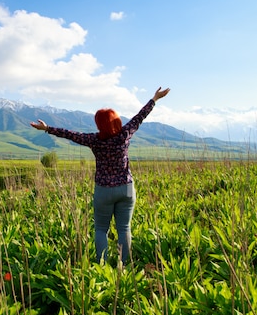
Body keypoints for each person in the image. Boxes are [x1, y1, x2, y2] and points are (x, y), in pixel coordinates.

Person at [30, 87, 171, 264]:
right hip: (126, 188)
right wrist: (154, 99)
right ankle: (124, 265)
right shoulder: (124, 135)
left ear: (99, 124)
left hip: (103, 190)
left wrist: (47, 128)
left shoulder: (94, 140)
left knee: (101, 229)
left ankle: (101, 265)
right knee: (124, 228)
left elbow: (70, 134)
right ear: (117, 122)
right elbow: (140, 117)